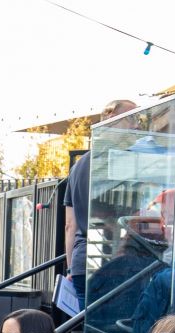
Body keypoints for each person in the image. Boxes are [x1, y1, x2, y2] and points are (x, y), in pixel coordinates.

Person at [64, 99, 137, 310]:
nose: (137, 125)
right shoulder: (125, 161)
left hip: (82, 260)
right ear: (112, 119)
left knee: (91, 331)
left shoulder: (79, 166)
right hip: (115, 259)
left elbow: (71, 225)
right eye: (131, 118)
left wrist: (71, 267)